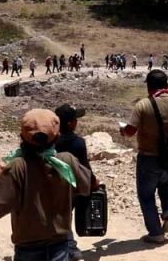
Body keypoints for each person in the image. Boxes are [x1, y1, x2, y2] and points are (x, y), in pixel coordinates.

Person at [0, 109, 92, 261]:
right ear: (57, 136)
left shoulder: (17, 166)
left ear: (22, 137)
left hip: (28, 248)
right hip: (60, 246)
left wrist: (0, 177)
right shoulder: (66, 161)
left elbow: (1, 206)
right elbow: (86, 187)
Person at [120, 70, 168, 244]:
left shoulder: (143, 105)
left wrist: (122, 130)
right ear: (166, 85)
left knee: (146, 196)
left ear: (149, 86)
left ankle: (156, 233)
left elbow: (130, 131)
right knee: (166, 185)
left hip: (148, 157)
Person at [55, 104, 100, 261]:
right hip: (72, 188)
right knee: (66, 216)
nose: (77, 122)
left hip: (52, 186)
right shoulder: (78, 142)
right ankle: (71, 248)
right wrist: (93, 182)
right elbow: (84, 167)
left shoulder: (52, 141)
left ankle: (68, 246)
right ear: (69, 124)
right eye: (75, 119)